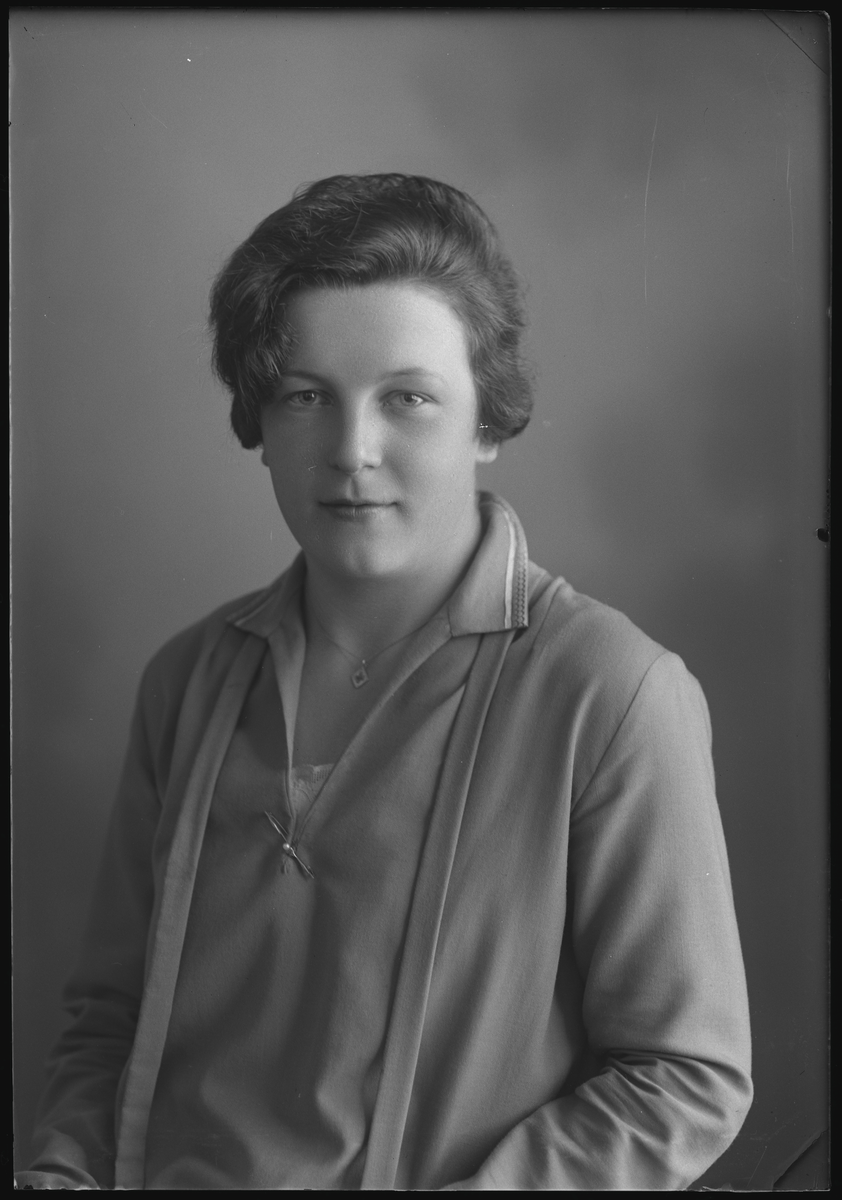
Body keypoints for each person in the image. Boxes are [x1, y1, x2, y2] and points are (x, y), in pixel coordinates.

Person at [18, 174, 752, 1191]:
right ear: (259, 423)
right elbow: (108, 1022)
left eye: (407, 398)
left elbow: (684, 1074)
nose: (351, 451)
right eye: (305, 396)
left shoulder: (612, 692)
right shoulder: (185, 678)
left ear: (487, 422)